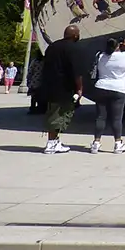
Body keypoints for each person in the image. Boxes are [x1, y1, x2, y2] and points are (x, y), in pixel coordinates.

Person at [91, 38, 125, 154]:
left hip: (101, 87)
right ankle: (118, 143)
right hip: (119, 89)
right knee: (116, 118)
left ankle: (96, 143)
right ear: (118, 46)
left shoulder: (100, 56)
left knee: (100, 117)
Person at [41, 25, 83, 154]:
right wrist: (80, 88)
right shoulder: (73, 48)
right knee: (59, 114)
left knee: (55, 112)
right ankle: (51, 143)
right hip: (64, 87)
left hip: (50, 86)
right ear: (75, 35)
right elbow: (76, 71)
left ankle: (55, 141)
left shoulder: (52, 47)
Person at [27, 49, 46, 114]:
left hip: (34, 80)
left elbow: (30, 71)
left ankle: (32, 108)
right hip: (43, 81)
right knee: (41, 96)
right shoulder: (45, 61)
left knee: (34, 96)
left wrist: (28, 79)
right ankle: (41, 108)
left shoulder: (34, 61)